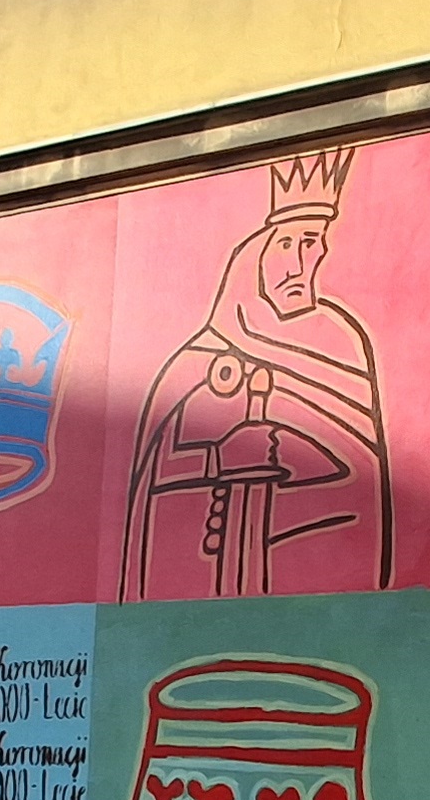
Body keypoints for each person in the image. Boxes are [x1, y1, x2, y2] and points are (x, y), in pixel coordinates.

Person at [119, 149, 391, 600]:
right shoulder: (200, 358)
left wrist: (290, 453)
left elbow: (367, 476)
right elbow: (153, 471)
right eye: (286, 244)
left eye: (311, 242)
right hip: (205, 579)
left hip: (304, 575)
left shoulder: (343, 341)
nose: (300, 264)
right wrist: (219, 461)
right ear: (257, 252)